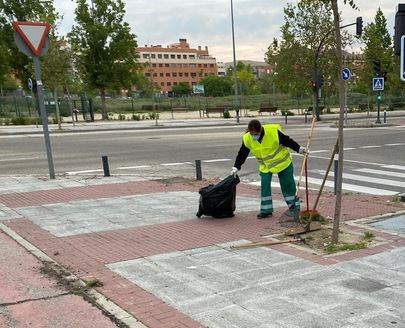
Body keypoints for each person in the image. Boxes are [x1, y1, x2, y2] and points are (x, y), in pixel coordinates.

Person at [231, 119, 306, 219]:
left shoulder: (273, 132)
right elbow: (242, 153)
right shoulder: (247, 138)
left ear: (260, 130)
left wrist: (299, 149)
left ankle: (294, 208)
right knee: (265, 186)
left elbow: (288, 141)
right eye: (252, 134)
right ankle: (266, 210)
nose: (254, 136)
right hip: (266, 166)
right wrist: (236, 166)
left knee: (288, 186)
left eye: (256, 134)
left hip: (283, 163)